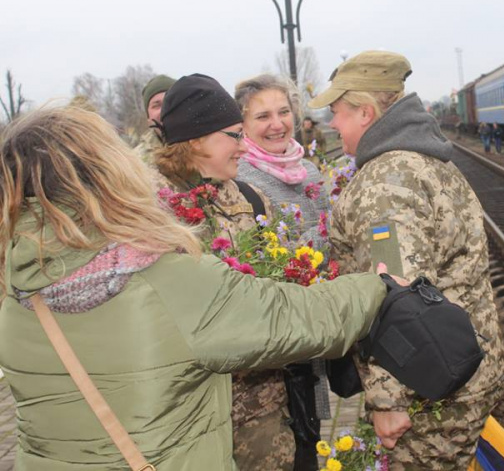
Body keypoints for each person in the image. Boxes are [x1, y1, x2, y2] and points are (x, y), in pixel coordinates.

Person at [0, 104, 390, 470]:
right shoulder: (167, 281)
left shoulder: (17, 297)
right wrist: (378, 284)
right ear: (107, 175)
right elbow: (306, 319)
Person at [308, 50, 504, 470]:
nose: (332, 125)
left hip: (428, 384)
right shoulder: (425, 159)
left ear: (365, 113)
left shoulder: (386, 183)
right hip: (460, 367)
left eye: (338, 113)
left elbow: (396, 296)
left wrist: (387, 400)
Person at [154, 73, 299, 471]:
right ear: (197, 139)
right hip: (186, 419)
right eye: (234, 135)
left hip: (260, 412)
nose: (242, 146)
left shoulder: (251, 200)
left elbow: (282, 285)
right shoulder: (149, 212)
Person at [233, 73, 331, 470]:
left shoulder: (308, 171)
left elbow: (325, 236)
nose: (277, 124)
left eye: (283, 111)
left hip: (317, 320)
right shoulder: (241, 179)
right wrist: (321, 239)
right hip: (278, 335)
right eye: (262, 116)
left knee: (312, 430)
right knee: (291, 438)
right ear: (242, 126)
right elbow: (271, 257)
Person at [135, 74, 176, 164]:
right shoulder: (136, 162)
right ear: (148, 116)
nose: (164, 110)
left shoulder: (206, 147)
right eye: (156, 105)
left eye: (170, 102)